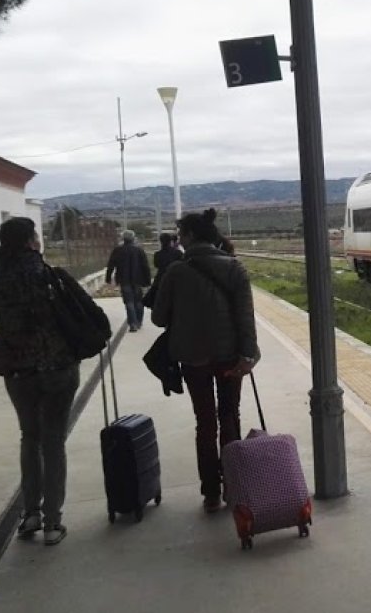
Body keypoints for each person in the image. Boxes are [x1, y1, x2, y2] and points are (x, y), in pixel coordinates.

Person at [0, 217, 104, 546]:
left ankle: (30, 515)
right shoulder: (49, 275)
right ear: (29, 241)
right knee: (53, 442)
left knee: (29, 437)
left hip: (17, 370)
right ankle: (53, 522)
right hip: (57, 367)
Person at [152, 209, 260, 512]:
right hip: (230, 358)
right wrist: (248, 355)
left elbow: (159, 318)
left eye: (181, 235)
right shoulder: (235, 268)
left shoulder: (176, 271)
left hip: (193, 360)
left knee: (205, 422)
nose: (179, 240)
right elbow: (246, 318)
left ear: (189, 236)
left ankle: (210, 492)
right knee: (230, 417)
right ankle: (233, 487)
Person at [106, 230, 151, 332]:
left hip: (124, 279)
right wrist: (148, 281)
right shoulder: (139, 250)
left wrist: (108, 278)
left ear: (123, 239)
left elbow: (111, 265)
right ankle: (139, 321)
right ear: (133, 238)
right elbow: (145, 266)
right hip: (138, 280)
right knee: (138, 301)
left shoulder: (118, 250)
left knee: (129, 302)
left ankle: (133, 324)